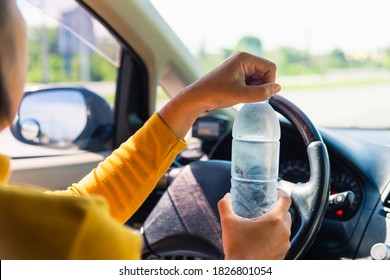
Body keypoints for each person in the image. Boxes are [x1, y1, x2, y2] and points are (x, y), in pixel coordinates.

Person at [0, 0, 292, 260]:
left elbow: (79, 207)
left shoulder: (39, 229)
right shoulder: (74, 239)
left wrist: (194, 99)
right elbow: (72, 224)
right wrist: (250, 262)